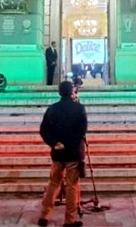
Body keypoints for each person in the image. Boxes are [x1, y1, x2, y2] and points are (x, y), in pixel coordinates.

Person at [38, 80, 87, 227]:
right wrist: (69, 145)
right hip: (73, 153)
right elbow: (81, 131)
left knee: (53, 184)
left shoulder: (52, 109)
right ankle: (69, 220)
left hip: (58, 153)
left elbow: (43, 130)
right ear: (72, 91)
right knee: (72, 186)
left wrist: (55, 143)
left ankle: (44, 216)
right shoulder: (79, 108)